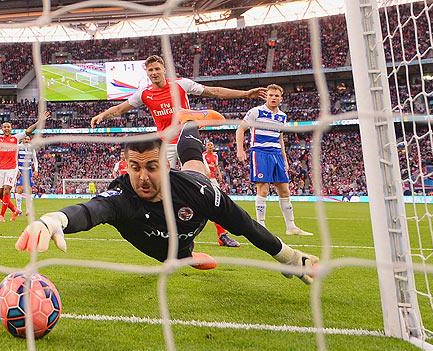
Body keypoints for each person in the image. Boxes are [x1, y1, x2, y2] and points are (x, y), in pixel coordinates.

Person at [15, 122, 319, 284]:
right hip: (166, 247)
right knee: (176, 252)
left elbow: (244, 225)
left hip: (188, 216)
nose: (143, 178)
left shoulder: (195, 191)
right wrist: (54, 220)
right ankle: (185, 256)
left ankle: (189, 128)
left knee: (196, 168)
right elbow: (90, 210)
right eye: (135, 168)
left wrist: (290, 258)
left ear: (165, 164)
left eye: (151, 167)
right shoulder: (123, 197)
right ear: (126, 166)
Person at [91, 54, 266, 168]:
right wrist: (102, 115)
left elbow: (214, 91)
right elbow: (120, 109)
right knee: (164, 183)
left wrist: (246, 94)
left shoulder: (181, 84)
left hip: (187, 138)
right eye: (150, 70)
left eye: (157, 69)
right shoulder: (144, 94)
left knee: (200, 179)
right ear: (147, 73)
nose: (154, 72)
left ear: (164, 70)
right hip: (165, 144)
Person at [235, 84, 313, 236]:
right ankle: (261, 227)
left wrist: (285, 159)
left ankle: (291, 227)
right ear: (266, 96)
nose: (273, 98)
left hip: (276, 153)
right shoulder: (256, 112)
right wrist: (240, 149)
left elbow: (280, 137)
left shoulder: (282, 116)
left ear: (281, 98)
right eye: (270, 95)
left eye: (276, 96)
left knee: (284, 189)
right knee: (263, 188)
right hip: (260, 152)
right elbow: (240, 129)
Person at [0, 107, 47, 222]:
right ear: (2, 128)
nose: (6, 128)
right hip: (1, 169)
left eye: (8, 127)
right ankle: (15, 210)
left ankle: (1, 215)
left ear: (11, 129)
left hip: (12, 169)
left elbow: (29, 130)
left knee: (6, 190)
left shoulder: (16, 138)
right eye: (4, 127)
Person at [202, 141, 240, 248]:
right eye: (208, 145)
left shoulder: (215, 155)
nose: (210, 147)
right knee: (213, 205)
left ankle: (221, 235)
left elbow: (216, 166)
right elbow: (206, 170)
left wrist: (219, 174)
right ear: (206, 146)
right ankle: (222, 235)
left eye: (211, 145)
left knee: (215, 205)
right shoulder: (203, 156)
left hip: (213, 180)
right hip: (206, 180)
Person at [15, 135, 39, 214]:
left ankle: (28, 210)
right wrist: (17, 170)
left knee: (29, 190)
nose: (27, 140)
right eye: (25, 139)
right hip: (21, 170)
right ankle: (19, 209)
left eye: (28, 139)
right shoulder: (18, 146)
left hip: (28, 170)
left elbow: (35, 159)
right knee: (19, 189)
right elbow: (15, 159)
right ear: (23, 139)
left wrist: (36, 170)